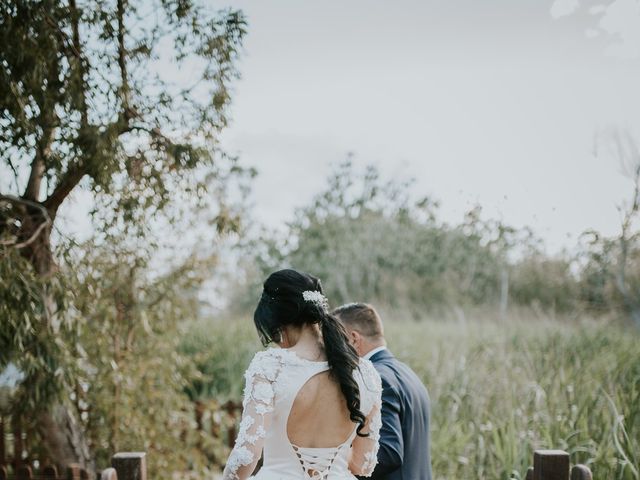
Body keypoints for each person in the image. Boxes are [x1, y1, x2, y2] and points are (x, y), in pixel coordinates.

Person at [222, 270, 383, 480]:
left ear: (278, 323)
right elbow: (363, 464)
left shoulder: (270, 366)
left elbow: (246, 457)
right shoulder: (367, 373)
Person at [333, 303, 432, 480]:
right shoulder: (409, 373)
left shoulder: (377, 379)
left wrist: (334, 459)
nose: (333, 350)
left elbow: (387, 453)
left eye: (336, 340)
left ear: (354, 339)